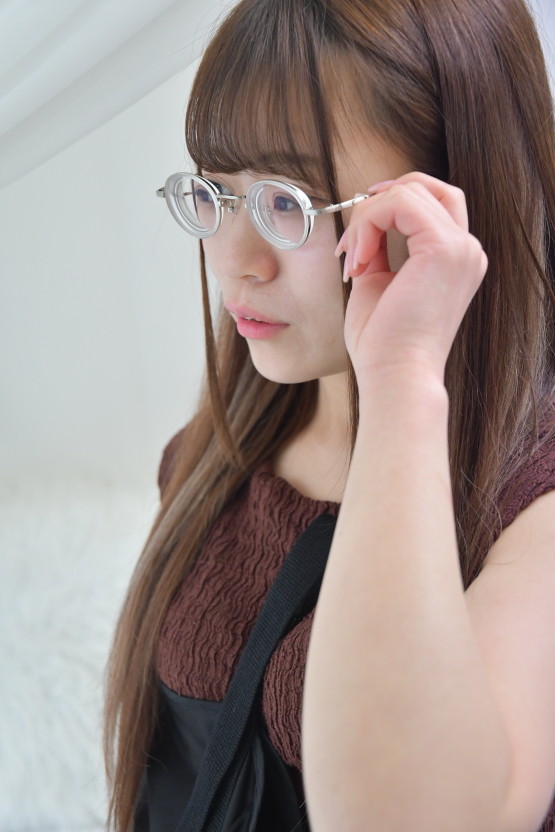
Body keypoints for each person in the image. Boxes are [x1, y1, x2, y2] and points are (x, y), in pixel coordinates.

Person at [104, 0, 555, 830]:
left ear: (448, 203)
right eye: (216, 192)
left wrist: (400, 377)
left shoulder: (535, 510)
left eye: (285, 203)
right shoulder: (210, 457)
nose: (234, 262)